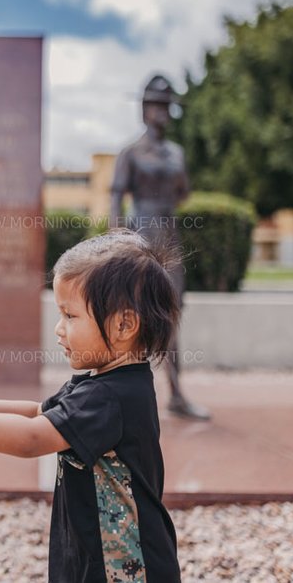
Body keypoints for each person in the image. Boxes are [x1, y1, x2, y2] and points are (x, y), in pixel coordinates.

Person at [0, 229, 182, 583]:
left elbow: (31, 438)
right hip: (97, 558)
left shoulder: (108, 398)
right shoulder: (104, 383)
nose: (59, 329)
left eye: (70, 316)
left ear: (124, 324)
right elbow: (38, 413)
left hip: (127, 569)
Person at [109, 74, 210, 420]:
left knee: (171, 316)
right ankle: (121, 396)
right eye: (154, 104)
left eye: (165, 105)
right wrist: (118, 246)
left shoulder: (177, 154)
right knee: (132, 317)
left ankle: (177, 395)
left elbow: (183, 192)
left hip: (169, 237)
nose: (161, 111)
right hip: (140, 238)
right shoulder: (131, 152)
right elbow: (115, 200)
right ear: (143, 109)